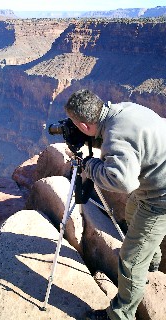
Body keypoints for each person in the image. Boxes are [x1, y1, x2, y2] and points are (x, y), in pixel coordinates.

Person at [64, 89, 166, 320]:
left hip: (160, 198)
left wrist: (89, 165)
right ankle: (151, 260)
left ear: (84, 125)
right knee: (130, 213)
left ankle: (120, 314)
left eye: (74, 125)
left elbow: (122, 181)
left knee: (130, 260)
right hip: (155, 178)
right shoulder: (123, 110)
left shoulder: (116, 136)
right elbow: (131, 142)